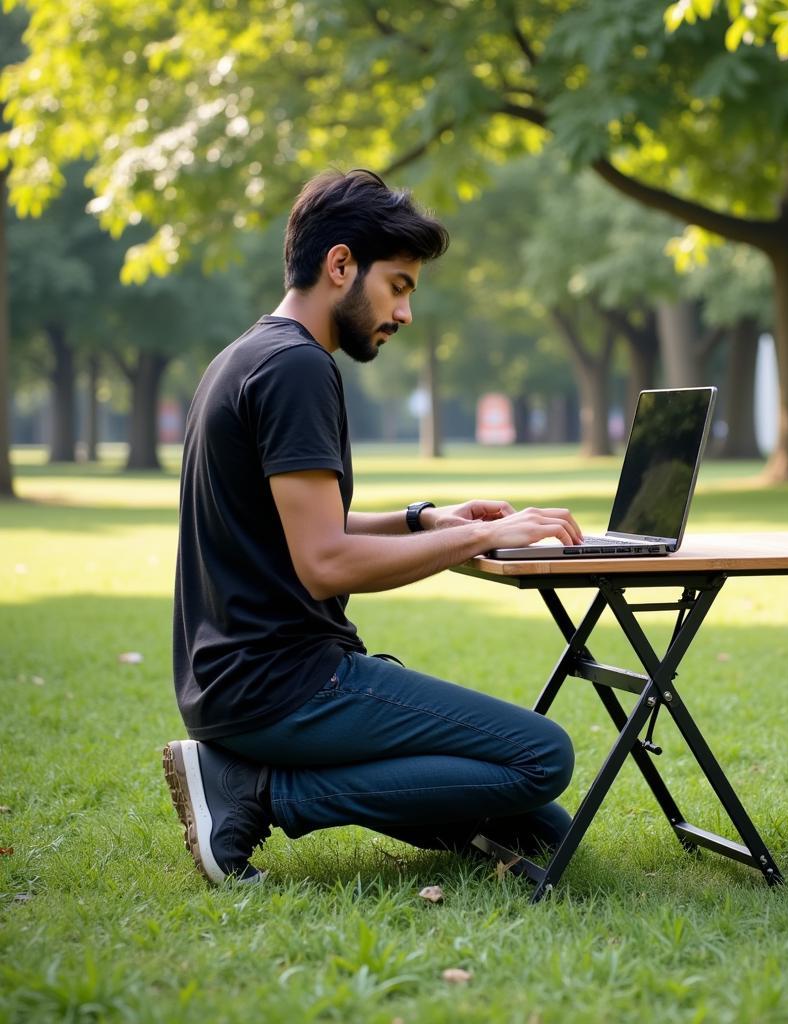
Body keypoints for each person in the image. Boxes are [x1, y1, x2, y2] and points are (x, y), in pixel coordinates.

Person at [164, 169, 582, 884]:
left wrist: (424, 519)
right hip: (287, 684)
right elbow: (325, 563)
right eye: (400, 285)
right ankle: (258, 792)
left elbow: (298, 522)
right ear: (340, 265)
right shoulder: (297, 369)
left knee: (544, 832)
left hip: (232, 682)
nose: (405, 312)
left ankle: (243, 770)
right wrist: (482, 538)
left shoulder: (245, 356)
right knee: (543, 758)